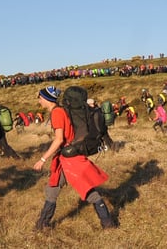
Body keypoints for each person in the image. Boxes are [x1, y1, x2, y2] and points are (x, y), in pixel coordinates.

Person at [32, 86, 117, 230]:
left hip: (71, 159)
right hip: (66, 157)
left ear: (47, 99)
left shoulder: (57, 113)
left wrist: (42, 159)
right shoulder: (61, 110)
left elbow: (59, 139)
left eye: (40, 98)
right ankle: (42, 225)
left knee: (88, 191)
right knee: (52, 189)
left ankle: (108, 223)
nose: (39, 101)